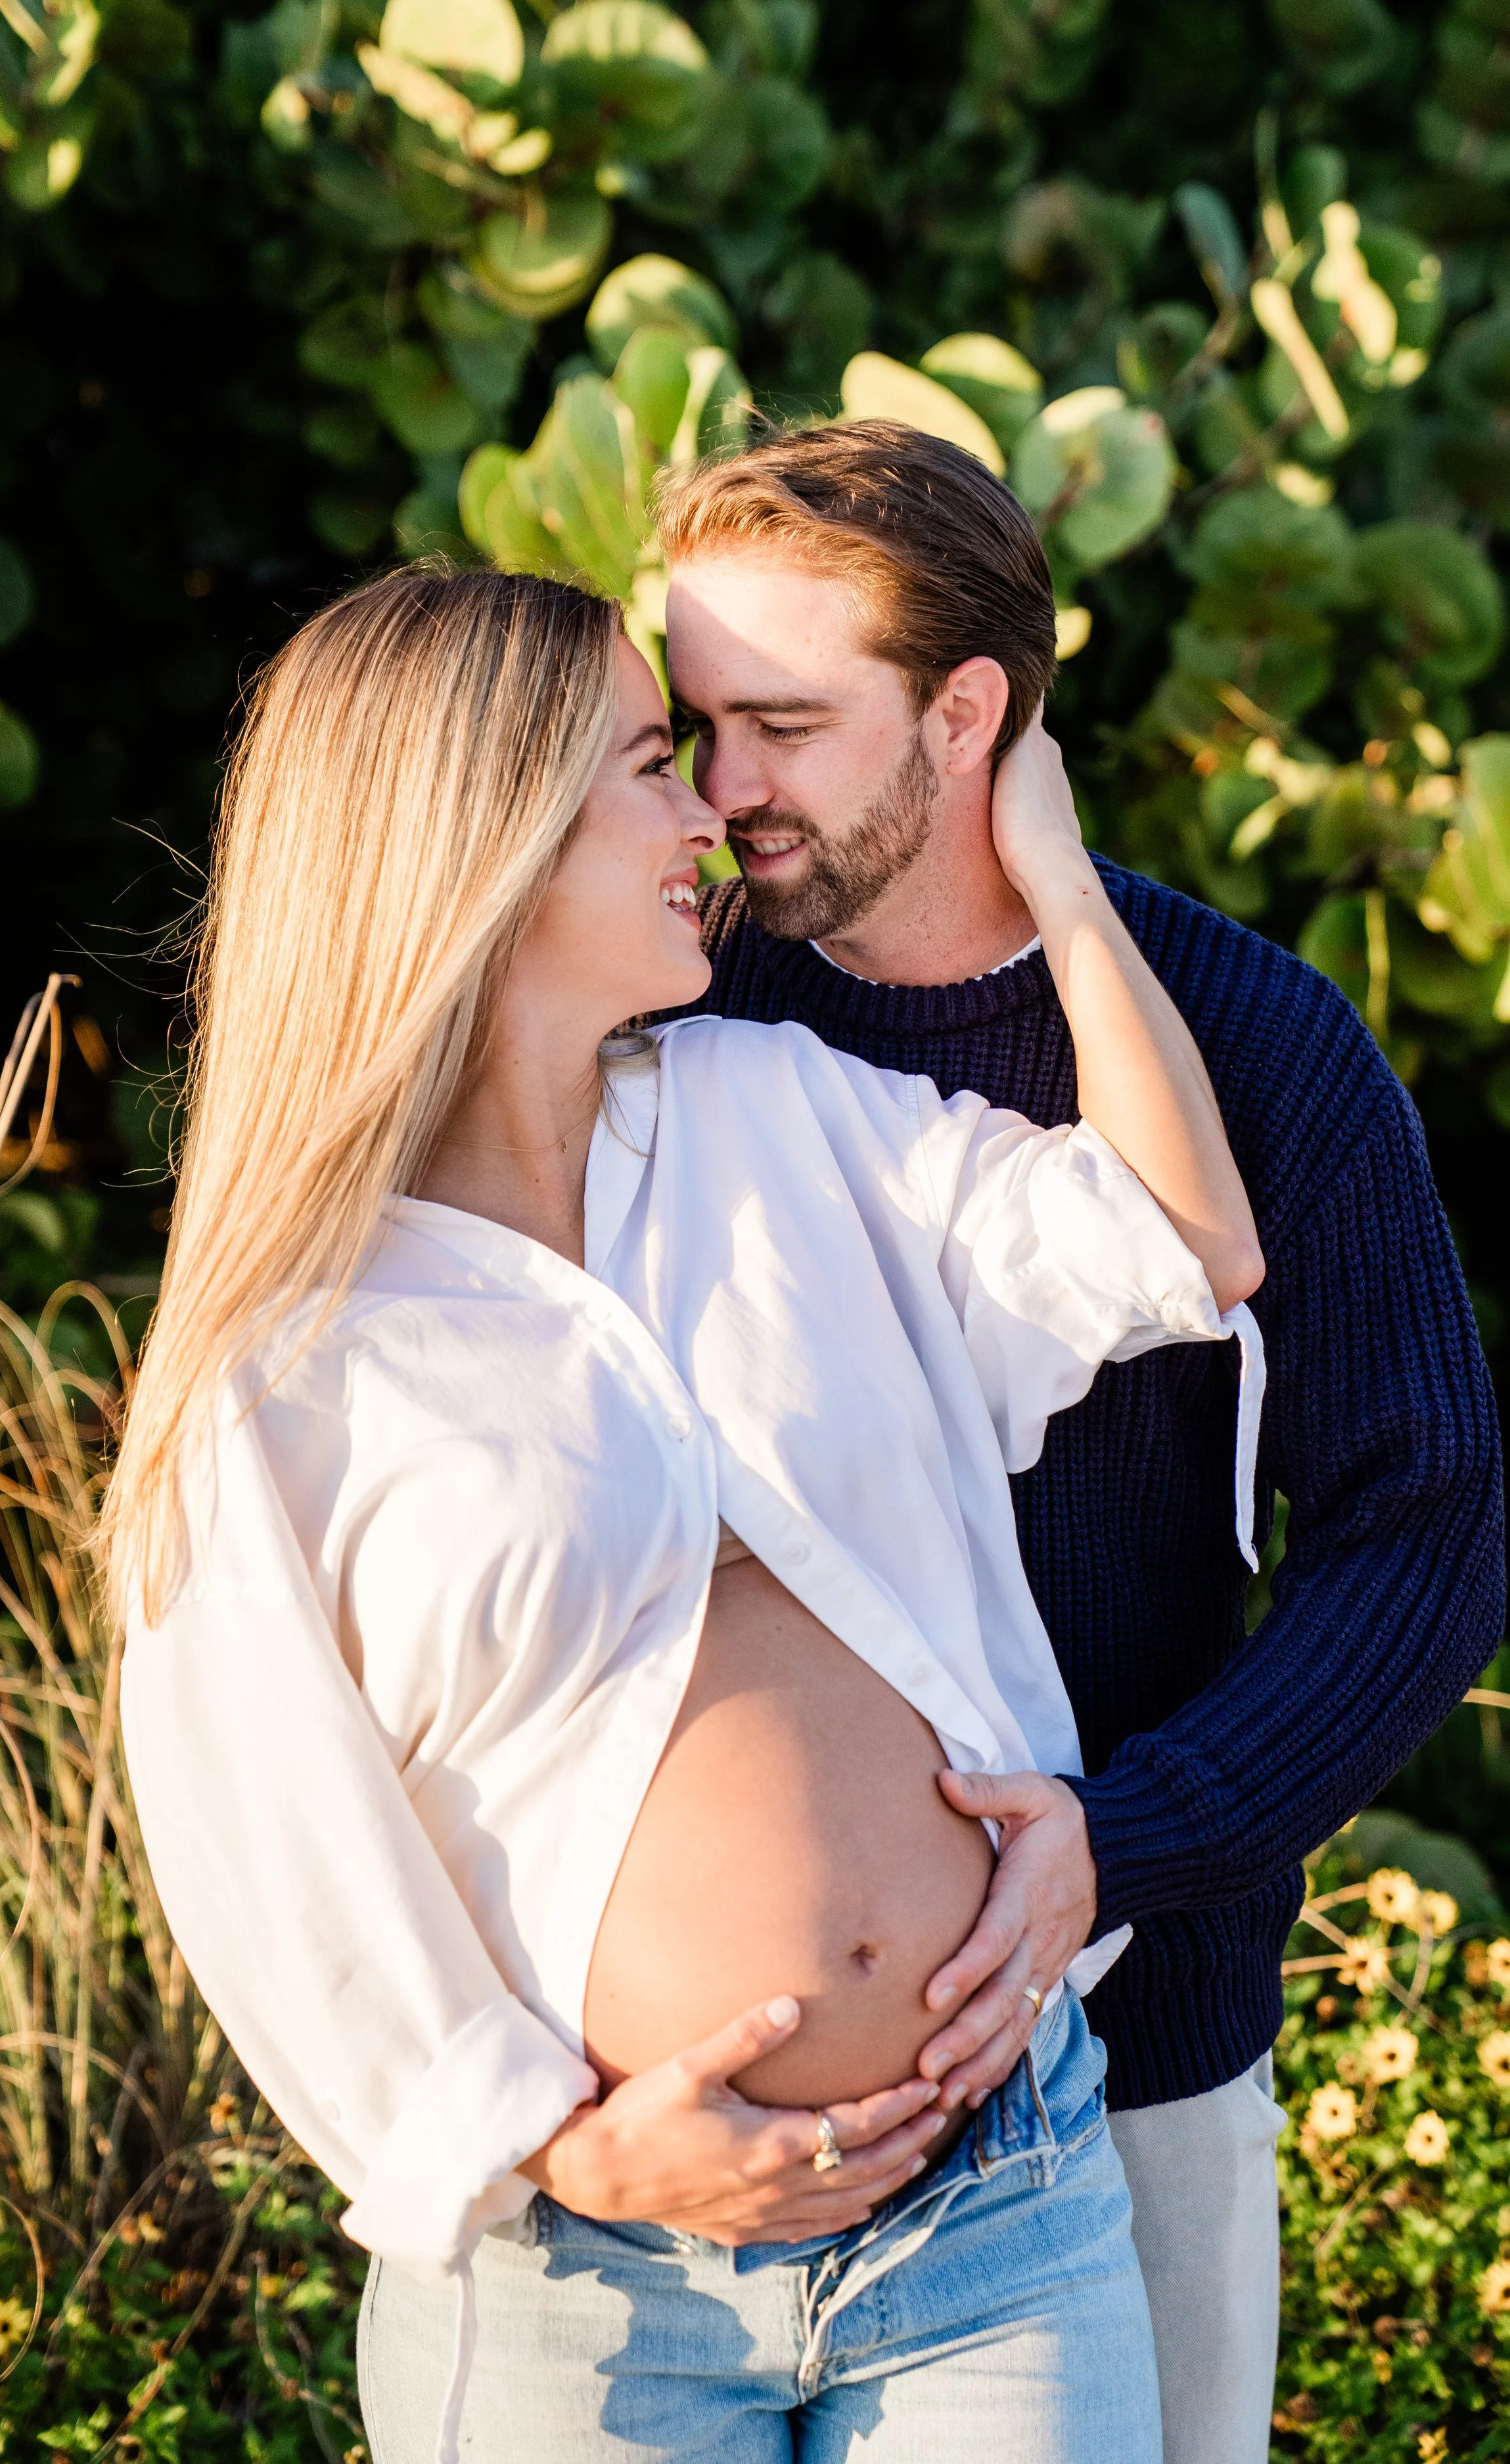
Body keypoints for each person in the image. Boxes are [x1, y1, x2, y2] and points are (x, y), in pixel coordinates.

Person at [106, 566, 1264, 2464]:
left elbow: (1177, 1239)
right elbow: (269, 1830)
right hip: (592, 2288)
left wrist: (1059, 882)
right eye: (647, 765)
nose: (707, 814)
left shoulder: (774, 1110)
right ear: (481, 836)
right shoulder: (293, 1351)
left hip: (998, 2194)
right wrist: (560, 2142)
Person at [656, 417, 1507, 2464]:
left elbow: (1425, 1524)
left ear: (970, 714)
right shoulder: (663, 1010)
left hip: (1136, 2051)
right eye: (694, 724)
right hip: (721, 2104)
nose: (720, 789)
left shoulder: (1256, 1039)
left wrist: (1135, 1836)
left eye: (781, 721)